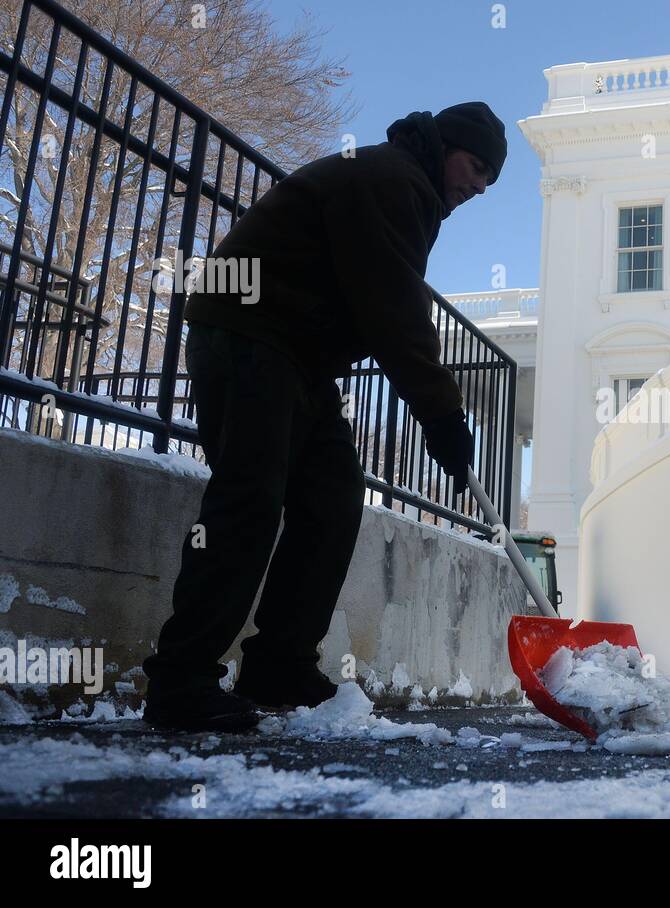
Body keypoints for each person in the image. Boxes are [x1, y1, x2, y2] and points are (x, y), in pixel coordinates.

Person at [141, 103, 507, 731]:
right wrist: (443, 415)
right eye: (476, 167)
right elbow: (394, 310)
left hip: (299, 355)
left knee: (333, 499)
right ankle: (180, 679)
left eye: (489, 181)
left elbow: (381, 305)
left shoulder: (405, 185)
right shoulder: (392, 180)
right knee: (249, 501)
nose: (478, 186)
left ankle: (278, 664)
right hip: (248, 333)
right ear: (446, 146)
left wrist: (436, 412)